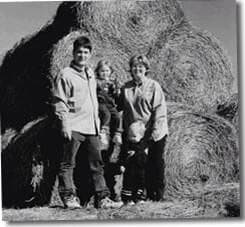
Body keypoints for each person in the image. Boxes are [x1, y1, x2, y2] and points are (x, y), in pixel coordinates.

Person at [52, 36, 121, 209]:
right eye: (79, 52)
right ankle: (69, 197)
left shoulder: (91, 74)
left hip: (92, 127)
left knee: (97, 164)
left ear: (90, 54)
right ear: (74, 53)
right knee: (68, 163)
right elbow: (60, 102)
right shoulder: (65, 74)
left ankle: (102, 198)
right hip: (74, 125)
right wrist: (64, 124)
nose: (82, 55)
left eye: (85, 52)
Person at [117, 55, 168, 202]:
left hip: (154, 130)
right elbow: (120, 109)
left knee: (155, 162)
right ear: (130, 69)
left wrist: (152, 136)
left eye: (141, 66)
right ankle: (138, 195)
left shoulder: (153, 86)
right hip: (135, 132)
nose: (137, 69)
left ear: (146, 69)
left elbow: (159, 111)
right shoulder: (126, 88)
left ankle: (157, 196)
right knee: (135, 164)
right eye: (134, 66)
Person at [95, 60, 123, 202]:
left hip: (112, 111)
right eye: (102, 71)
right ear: (98, 72)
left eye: (107, 71)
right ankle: (103, 132)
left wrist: (117, 90)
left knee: (116, 116)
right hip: (101, 107)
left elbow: (120, 102)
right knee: (105, 114)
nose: (105, 73)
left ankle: (117, 133)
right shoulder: (95, 83)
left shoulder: (113, 84)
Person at [119, 120, 149, 204]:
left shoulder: (143, 145)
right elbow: (122, 155)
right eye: (129, 135)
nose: (131, 138)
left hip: (140, 170)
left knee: (140, 184)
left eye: (134, 136)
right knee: (128, 183)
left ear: (141, 136)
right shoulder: (126, 145)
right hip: (129, 170)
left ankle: (139, 198)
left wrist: (136, 154)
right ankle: (128, 199)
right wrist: (121, 164)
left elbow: (144, 158)